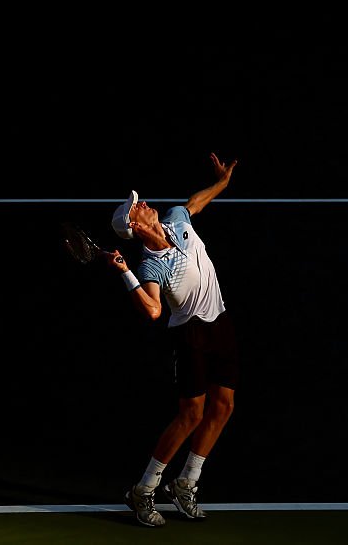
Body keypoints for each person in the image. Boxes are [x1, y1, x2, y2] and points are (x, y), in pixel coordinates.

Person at [106, 152, 239, 528]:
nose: (143, 203)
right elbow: (152, 310)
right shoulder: (150, 265)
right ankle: (144, 489)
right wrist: (125, 272)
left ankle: (186, 482)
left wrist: (223, 183)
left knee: (224, 406)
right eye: (137, 207)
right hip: (190, 332)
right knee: (191, 414)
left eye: (140, 202)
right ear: (133, 225)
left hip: (220, 321)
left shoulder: (176, 218)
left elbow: (196, 201)